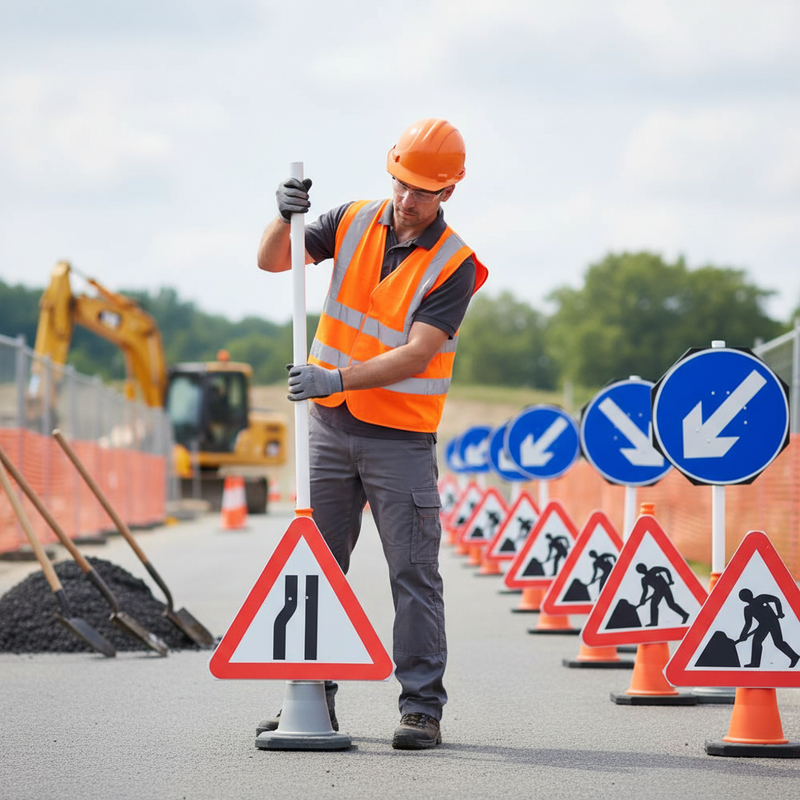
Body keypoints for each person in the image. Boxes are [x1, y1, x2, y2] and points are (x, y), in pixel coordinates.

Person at [256, 119, 488, 749]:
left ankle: (421, 709)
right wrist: (284, 218)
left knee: (413, 575)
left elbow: (418, 353)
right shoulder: (351, 219)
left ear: (448, 192)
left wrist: (334, 378)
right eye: (401, 182)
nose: (407, 198)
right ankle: (310, 699)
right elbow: (272, 260)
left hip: (400, 441)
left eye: (422, 190)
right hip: (329, 430)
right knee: (317, 570)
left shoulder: (455, 265)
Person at [734, 588, 800, 669]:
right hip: (762, 626)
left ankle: (794, 657)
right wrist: (743, 635)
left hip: (773, 622)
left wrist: (779, 612)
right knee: (756, 642)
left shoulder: (761, 598)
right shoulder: (748, 609)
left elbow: (776, 600)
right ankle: (755, 663)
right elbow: (748, 624)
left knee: (778, 642)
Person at [634, 562, 690, 627]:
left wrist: (670, 580)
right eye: (640, 570)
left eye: (642, 568)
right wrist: (642, 600)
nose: (642, 570)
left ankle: (685, 615)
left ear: (645, 567)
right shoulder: (644, 580)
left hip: (665, 588)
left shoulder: (653, 570)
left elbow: (666, 570)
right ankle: (654, 622)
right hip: (658, 591)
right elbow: (645, 591)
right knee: (653, 605)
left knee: (671, 604)